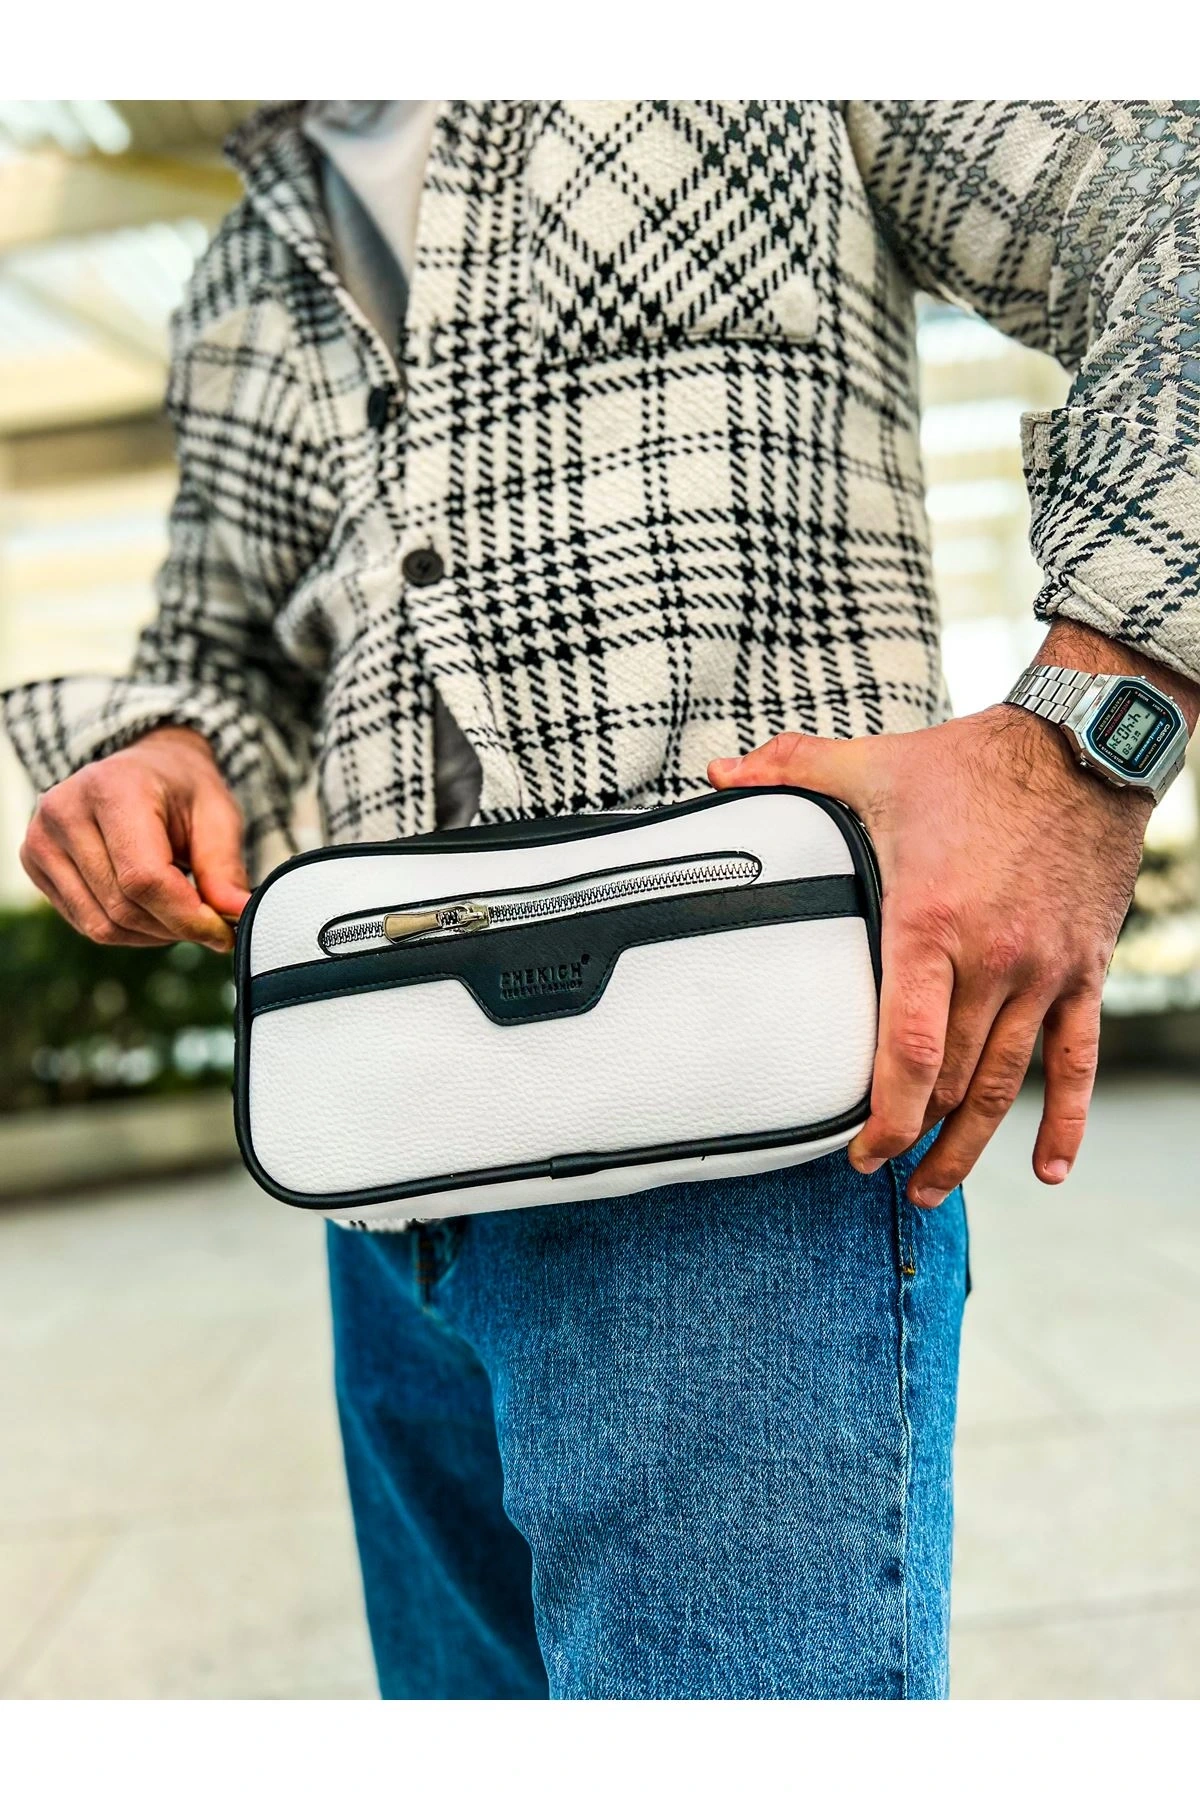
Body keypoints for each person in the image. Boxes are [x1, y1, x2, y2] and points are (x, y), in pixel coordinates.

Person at [5, 101, 1198, 1701]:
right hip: (385, 1175)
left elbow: (1171, 212)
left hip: (740, 1152)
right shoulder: (243, 246)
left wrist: (1094, 730)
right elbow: (221, 649)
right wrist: (163, 750)